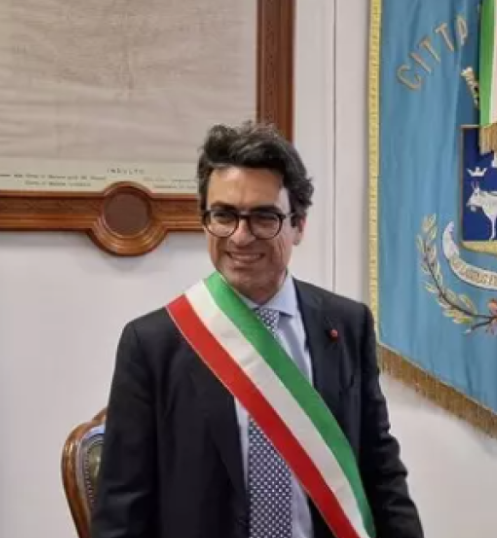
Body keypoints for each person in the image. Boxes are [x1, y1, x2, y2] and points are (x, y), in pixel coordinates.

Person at [91, 121, 423, 538]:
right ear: (204, 220)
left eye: (264, 217)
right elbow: (122, 510)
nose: (241, 237)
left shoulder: (347, 326)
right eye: (223, 215)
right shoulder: (153, 344)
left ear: (299, 225)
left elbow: (380, 470)